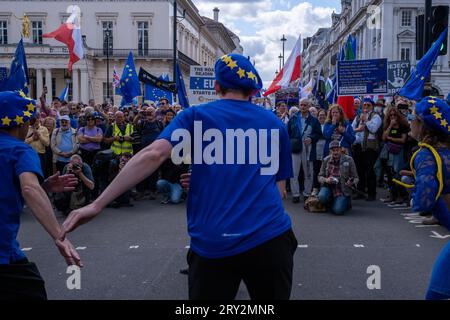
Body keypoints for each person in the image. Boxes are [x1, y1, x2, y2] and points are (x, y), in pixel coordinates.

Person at [62, 53, 297, 300]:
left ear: (217, 86)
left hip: (213, 241)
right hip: (270, 239)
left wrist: (98, 203)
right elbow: (279, 191)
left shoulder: (195, 116)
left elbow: (153, 155)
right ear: (252, 88)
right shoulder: (274, 124)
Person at [0, 91, 82, 299]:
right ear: (21, 124)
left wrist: (43, 186)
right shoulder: (19, 150)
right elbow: (29, 188)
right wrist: (59, 235)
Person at [400, 97, 450, 300]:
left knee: (435, 293)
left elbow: (424, 200)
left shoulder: (425, 155)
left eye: (412, 116)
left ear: (423, 125)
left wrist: (417, 192)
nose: (409, 120)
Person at [287, 98, 322, 202]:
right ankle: (295, 194)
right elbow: (287, 133)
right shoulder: (293, 118)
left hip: (309, 148)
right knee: (294, 172)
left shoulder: (314, 120)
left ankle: (307, 193)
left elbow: (319, 133)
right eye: (301, 105)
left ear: (309, 106)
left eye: (305, 105)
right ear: (299, 105)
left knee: (308, 172)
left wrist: (311, 138)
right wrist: (291, 143)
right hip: (296, 147)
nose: (303, 107)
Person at [351, 98, 382, 201]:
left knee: (370, 171)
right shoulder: (358, 117)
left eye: (368, 105)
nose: (366, 107)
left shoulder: (376, 116)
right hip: (358, 145)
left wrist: (366, 121)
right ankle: (360, 191)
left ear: (372, 106)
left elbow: (373, 129)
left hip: (370, 147)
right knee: (359, 170)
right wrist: (358, 129)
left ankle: (371, 193)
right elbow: (352, 129)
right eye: (364, 105)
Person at [317, 141, 359, 215]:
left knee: (337, 211)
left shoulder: (349, 160)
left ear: (341, 149)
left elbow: (356, 178)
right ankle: (332, 200)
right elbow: (319, 176)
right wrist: (326, 180)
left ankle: (345, 201)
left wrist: (351, 182)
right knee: (321, 197)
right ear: (330, 151)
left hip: (342, 189)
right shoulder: (326, 160)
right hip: (329, 187)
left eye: (337, 150)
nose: (335, 152)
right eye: (333, 150)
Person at [380, 107, 410, 204]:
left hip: (399, 152)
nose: (393, 117)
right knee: (389, 173)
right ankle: (392, 195)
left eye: (394, 115)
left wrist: (390, 138)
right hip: (389, 152)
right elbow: (384, 138)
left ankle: (402, 196)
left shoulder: (403, 125)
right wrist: (390, 126)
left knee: (397, 173)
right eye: (391, 115)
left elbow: (403, 140)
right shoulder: (388, 125)